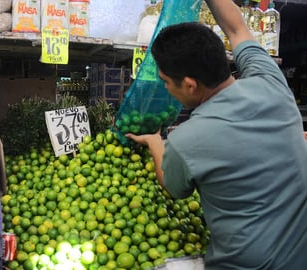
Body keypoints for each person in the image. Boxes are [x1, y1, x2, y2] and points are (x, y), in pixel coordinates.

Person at [125, 0, 307, 269]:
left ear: (189, 85)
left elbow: (174, 188)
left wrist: (155, 142)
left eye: (165, 81)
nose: (165, 87)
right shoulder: (270, 80)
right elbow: (236, 28)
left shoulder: (186, 140)